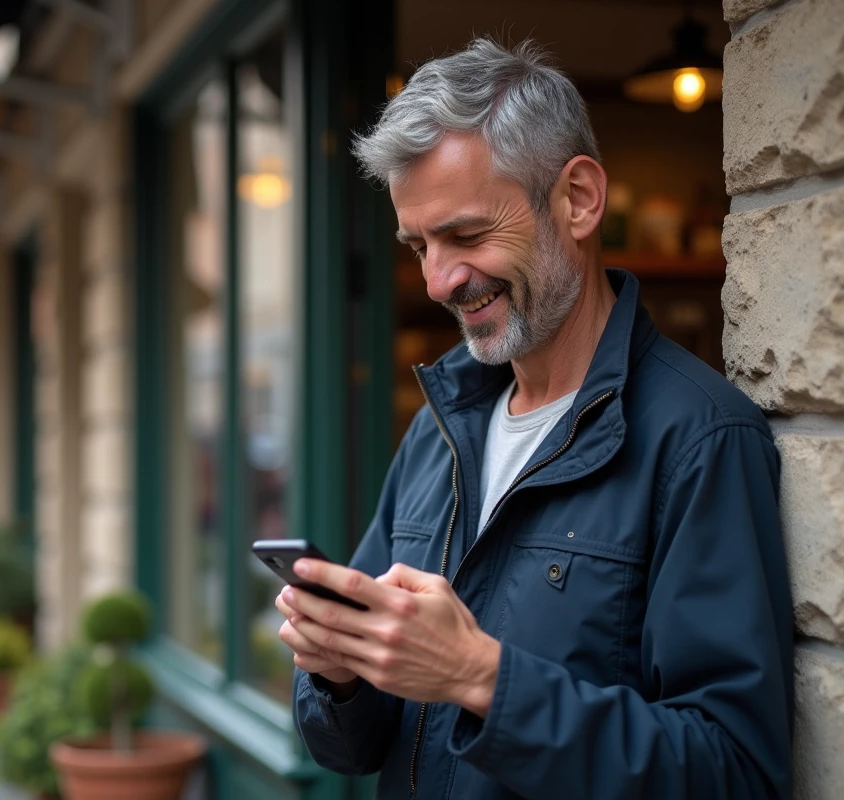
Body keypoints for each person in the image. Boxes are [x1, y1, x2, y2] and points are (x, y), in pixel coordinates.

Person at [280, 40, 793, 799]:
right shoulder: (438, 433)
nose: (438, 280)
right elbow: (355, 750)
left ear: (579, 200)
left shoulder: (699, 441)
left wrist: (484, 679)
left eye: (466, 234)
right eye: (418, 244)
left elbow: (734, 772)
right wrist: (338, 676)